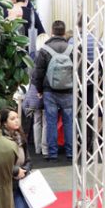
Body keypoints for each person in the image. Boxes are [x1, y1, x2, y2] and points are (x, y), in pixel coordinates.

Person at [33, 20, 73, 161]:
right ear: (64, 31)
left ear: (52, 31)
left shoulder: (45, 49)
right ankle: (70, 153)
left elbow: (38, 72)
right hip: (68, 91)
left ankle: (53, 154)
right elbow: (78, 72)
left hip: (49, 91)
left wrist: (39, 89)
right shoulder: (71, 49)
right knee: (69, 122)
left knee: (51, 122)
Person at [0, 108, 33, 208]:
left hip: (24, 181)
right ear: (4, 123)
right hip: (10, 185)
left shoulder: (21, 136)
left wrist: (25, 169)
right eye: (12, 119)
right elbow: (1, 164)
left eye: (17, 118)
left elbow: (28, 159)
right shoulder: (2, 140)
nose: (16, 121)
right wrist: (15, 171)